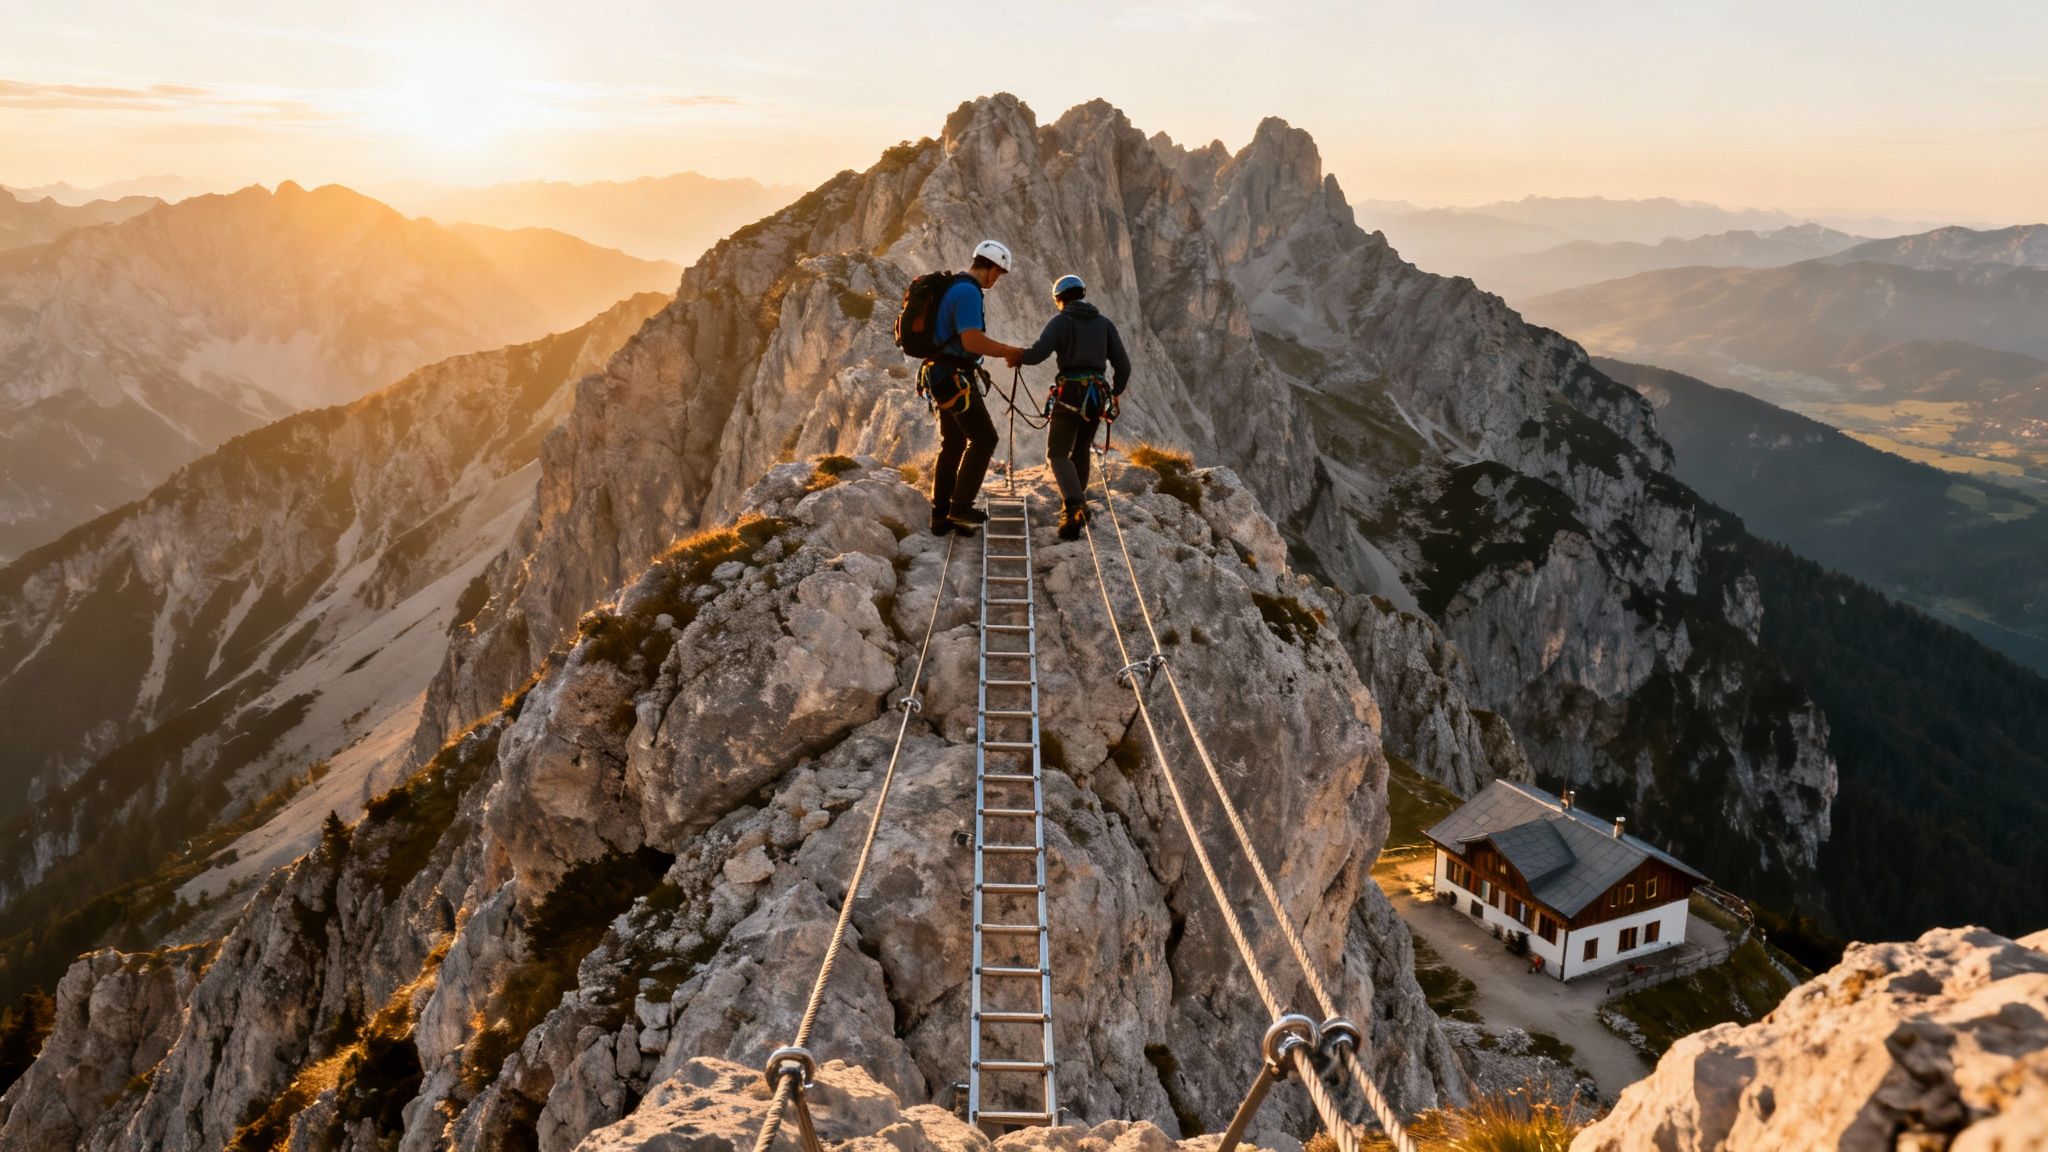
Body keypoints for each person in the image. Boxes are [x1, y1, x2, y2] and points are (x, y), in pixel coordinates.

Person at [924, 239, 1028, 535]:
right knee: (984, 439)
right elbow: (971, 341)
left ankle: (940, 515)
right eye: (999, 273)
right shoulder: (969, 292)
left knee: (954, 443)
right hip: (955, 378)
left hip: (940, 376)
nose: (997, 280)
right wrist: (1008, 350)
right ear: (991, 267)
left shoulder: (952, 287)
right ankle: (960, 509)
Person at [1016, 273, 1131, 539]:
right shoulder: (1104, 324)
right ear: (1082, 294)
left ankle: (1074, 506)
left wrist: (1016, 356)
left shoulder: (1061, 322)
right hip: (1096, 396)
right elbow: (1123, 365)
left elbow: (1038, 353)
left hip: (1070, 393)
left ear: (1059, 299)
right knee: (1081, 448)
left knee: (1057, 453)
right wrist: (1115, 392)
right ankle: (1078, 502)